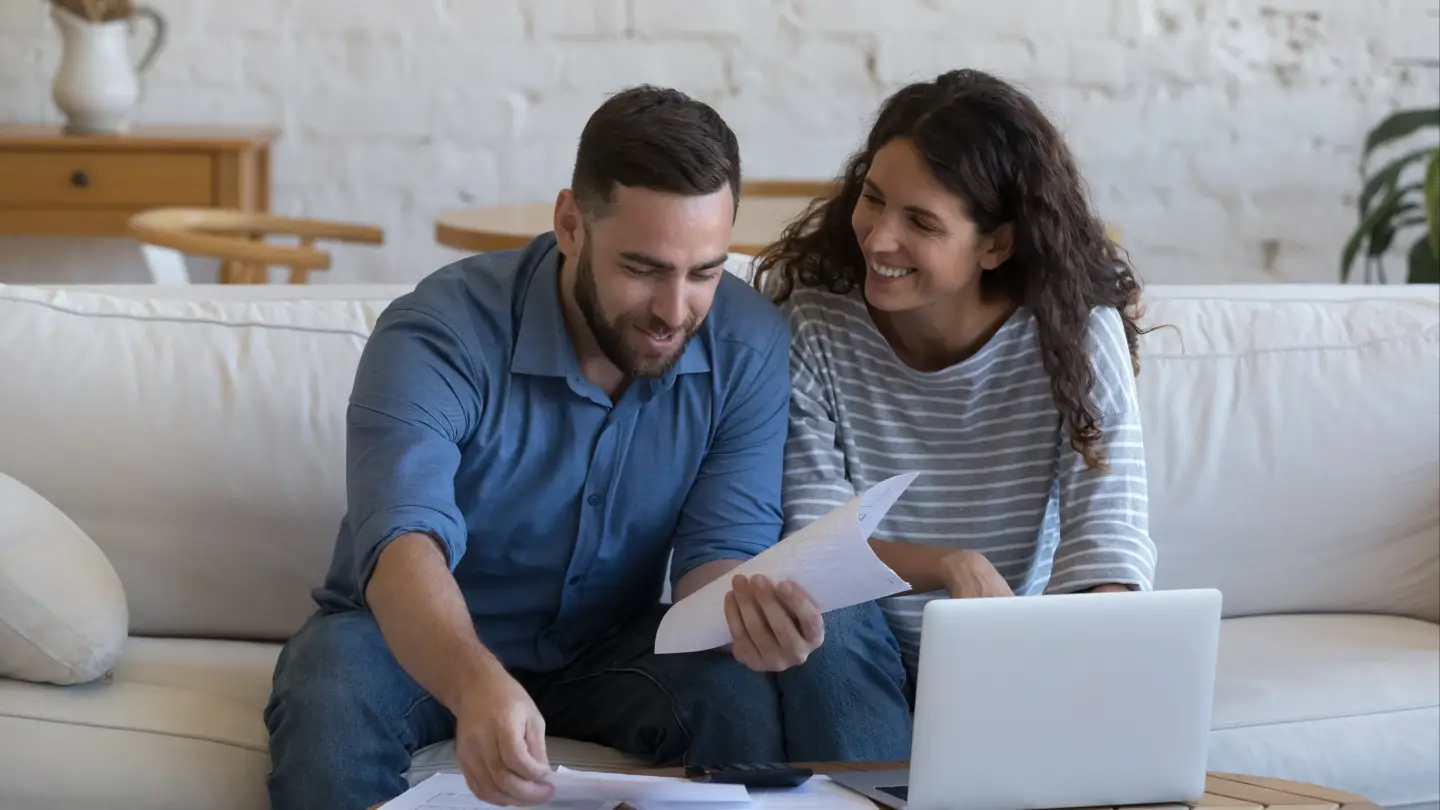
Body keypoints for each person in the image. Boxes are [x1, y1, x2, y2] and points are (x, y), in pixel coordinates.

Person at [263, 85, 913, 810]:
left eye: (704, 271)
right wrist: (480, 685)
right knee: (329, 694)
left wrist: (750, 622)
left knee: (736, 692)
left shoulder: (747, 342)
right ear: (571, 224)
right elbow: (402, 548)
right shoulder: (439, 331)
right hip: (402, 641)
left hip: (607, 648)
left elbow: (716, 558)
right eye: (642, 268)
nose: (675, 311)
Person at [752, 69, 1159, 683]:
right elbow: (815, 545)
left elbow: (1108, 545)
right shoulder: (809, 311)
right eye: (874, 197)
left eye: (922, 222)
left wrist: (1078, 666)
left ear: (994, 245)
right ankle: (879, 777)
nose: (879, 238)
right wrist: (948, 564)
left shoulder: (1074, 332)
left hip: (999, 657)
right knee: (820, 620)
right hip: (851, 647)